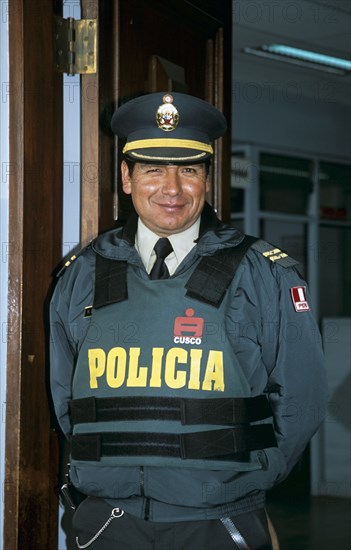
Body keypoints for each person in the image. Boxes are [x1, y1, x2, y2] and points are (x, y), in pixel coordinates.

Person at [50, 92, 328, 550]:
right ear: (126, 177)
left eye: (189, 170)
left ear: (207, 180)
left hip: (219, 520)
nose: (172, 189)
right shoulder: (82, 272)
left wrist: (248, 482)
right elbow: (66, 401)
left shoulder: (264, 272)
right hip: (109, 522)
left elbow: (305, 398)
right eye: (153, 170)